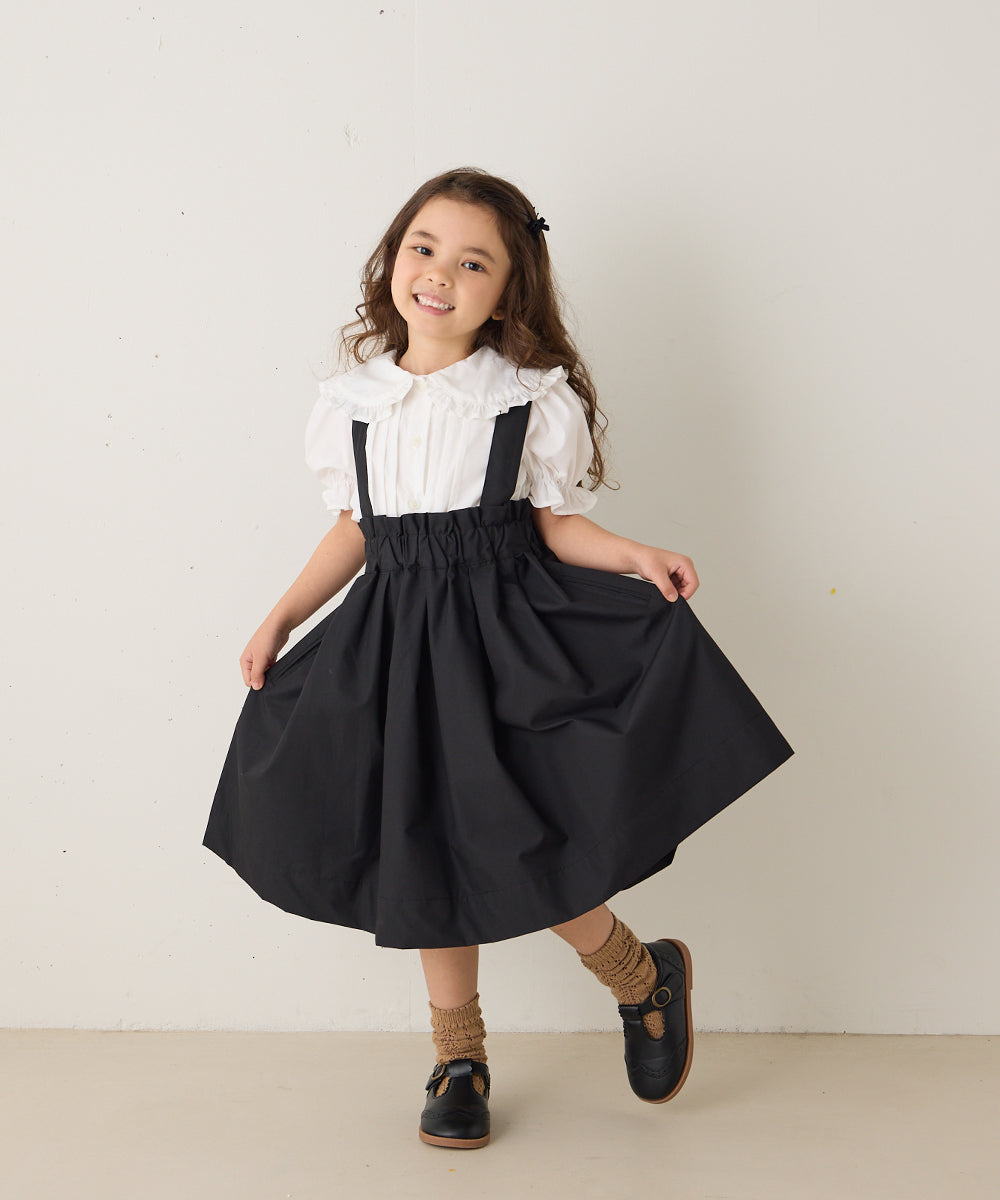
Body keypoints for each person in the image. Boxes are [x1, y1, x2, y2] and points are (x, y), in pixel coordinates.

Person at [202, 167, 793, 1150]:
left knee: (524, 839)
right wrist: (281, 618)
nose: (441, 274)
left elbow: (555, 525)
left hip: (505, 643)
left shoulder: (524, 398)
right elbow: (356, 529)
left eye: (474, 263)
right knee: (422, 845)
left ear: (508, 292)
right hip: (395, 648)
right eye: (425, 248)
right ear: (393, 259)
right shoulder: (353, 403)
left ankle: (639, 977)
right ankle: (458, 1057)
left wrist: (634, 555)